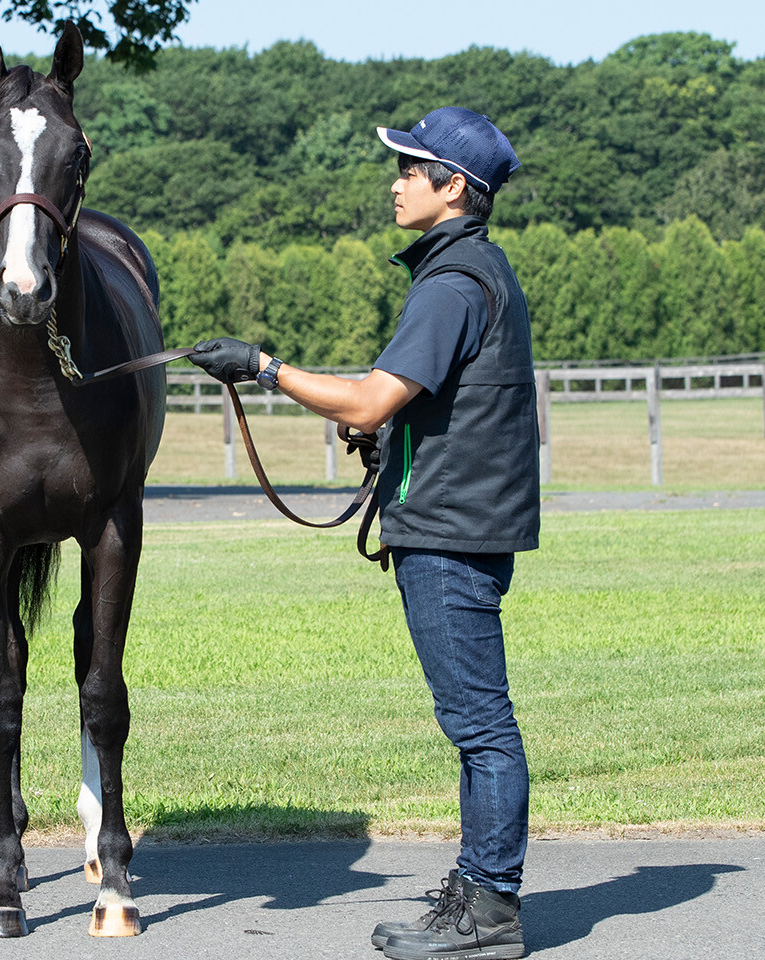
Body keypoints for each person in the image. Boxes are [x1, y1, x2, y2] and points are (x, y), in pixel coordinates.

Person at [190, 107, 539, 960]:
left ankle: (490, 913)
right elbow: (422, 412)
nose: (396, 182)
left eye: (412, 170)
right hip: (459, 525)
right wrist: (392, 441)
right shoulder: (466, 273)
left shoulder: (454, 283)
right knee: (475, 724)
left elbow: (370, 396)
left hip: (451, 536)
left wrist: (263, 368)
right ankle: (479, 892)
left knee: (480, 727)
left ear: (454, 188)